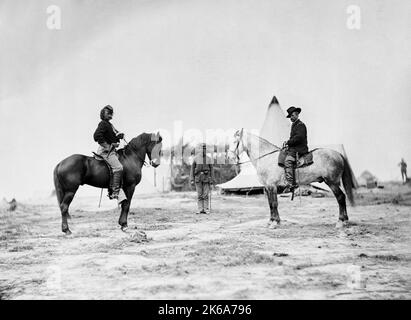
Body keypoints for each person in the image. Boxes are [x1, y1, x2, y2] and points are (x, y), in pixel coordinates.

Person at [93, 105, 126, 202]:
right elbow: (96, 136)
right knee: (118, 167)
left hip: (112, 150)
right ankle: (114, 192)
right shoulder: (103, 123)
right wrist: (107, 146)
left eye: (111, 113)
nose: (110, 114)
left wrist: (118, 136)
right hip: (106, 151)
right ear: (103, 114)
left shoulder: (110, 125)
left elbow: (112, 136)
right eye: (108, 113)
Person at [282, 106, 308, 193]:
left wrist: (288, 142)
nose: (291, 118)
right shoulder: (294, 125)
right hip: (294, 147)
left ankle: (290, 184)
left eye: (292, 116)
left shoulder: (300, 125)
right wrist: (288, 145)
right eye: (290, 117)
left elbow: (299, 138)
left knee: (288, 161)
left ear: (297, 115)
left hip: (300, 148)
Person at [190, 143, 215, 214]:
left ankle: (206, 209)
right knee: (199, 195)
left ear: (206, 150)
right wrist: (192, 179)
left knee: (206, 195)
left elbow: (212, 170)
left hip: (206, 178)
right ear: (199, 149)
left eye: (204, 149)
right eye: (201, 148)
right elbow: (192, 170)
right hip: (198, 178)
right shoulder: (195, 158)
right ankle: (200, 209)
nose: (203, 150)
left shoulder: (209, 159)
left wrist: (212, 180)